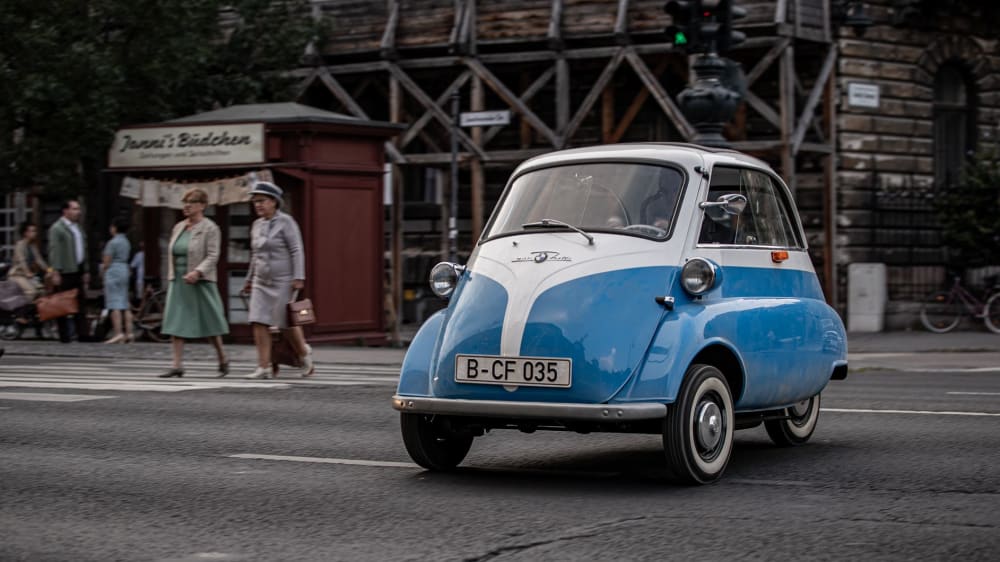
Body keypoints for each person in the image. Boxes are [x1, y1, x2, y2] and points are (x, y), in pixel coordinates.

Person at [243, 181, 314, 379]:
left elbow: (296, 249)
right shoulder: (257, 225)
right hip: (261, 280)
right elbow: (255, 254)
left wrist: (299, 277)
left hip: (283, 280)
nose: (258, 205)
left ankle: (304, 354)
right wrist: (249, 279)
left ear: (274, 201)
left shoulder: (286, 222)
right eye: (255, 201)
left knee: (285, 322)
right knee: (258, 320)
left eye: (262, 201)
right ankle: (263, 366)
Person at [158, 188, 230, 378]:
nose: (187, 206)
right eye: (185, 202)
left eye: (191, 202)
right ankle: (177, 364)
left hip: (200, 280)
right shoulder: (179, 227)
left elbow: (213, 255)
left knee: (210, 321)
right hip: (179, 279)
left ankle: (222, 358)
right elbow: (173, 251)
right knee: (176, 320)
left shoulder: (210, 228)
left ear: (202, 206)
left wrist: (198, 272)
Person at [47, 199, 89, 343]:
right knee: (62, 304)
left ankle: (83, 334)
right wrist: (55, 271)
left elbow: (84, 249)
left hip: (77, 269)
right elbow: (54, 251)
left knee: (80, 303)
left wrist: (86, 270)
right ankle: (64, 335)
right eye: (75, 209)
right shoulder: (57, 228)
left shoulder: (77, 227)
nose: (78, 212)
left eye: (78, 209)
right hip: (65, 270)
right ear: (65, 211)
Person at [101, 216, 133, 344]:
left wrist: (103, 271)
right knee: (125, 303)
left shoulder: (112, 242)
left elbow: (107, 261)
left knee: (114, 303)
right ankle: (130, 333)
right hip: (124, 269)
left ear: (114, 228)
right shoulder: (126, 242)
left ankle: (118, 332)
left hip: (114, 271)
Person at [9, 221, 54, 300]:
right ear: (26, 233)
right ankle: (22, 309)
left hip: (29, 276)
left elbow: (39, 260)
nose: (35, 233)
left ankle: (35, 310)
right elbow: (22, 261)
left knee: (42, 291)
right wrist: (27, 272)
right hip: (18, 275)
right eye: (33, 231)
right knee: (32, 291)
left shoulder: (33, 246)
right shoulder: (20, 245)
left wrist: (49, 270)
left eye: (35, 231)